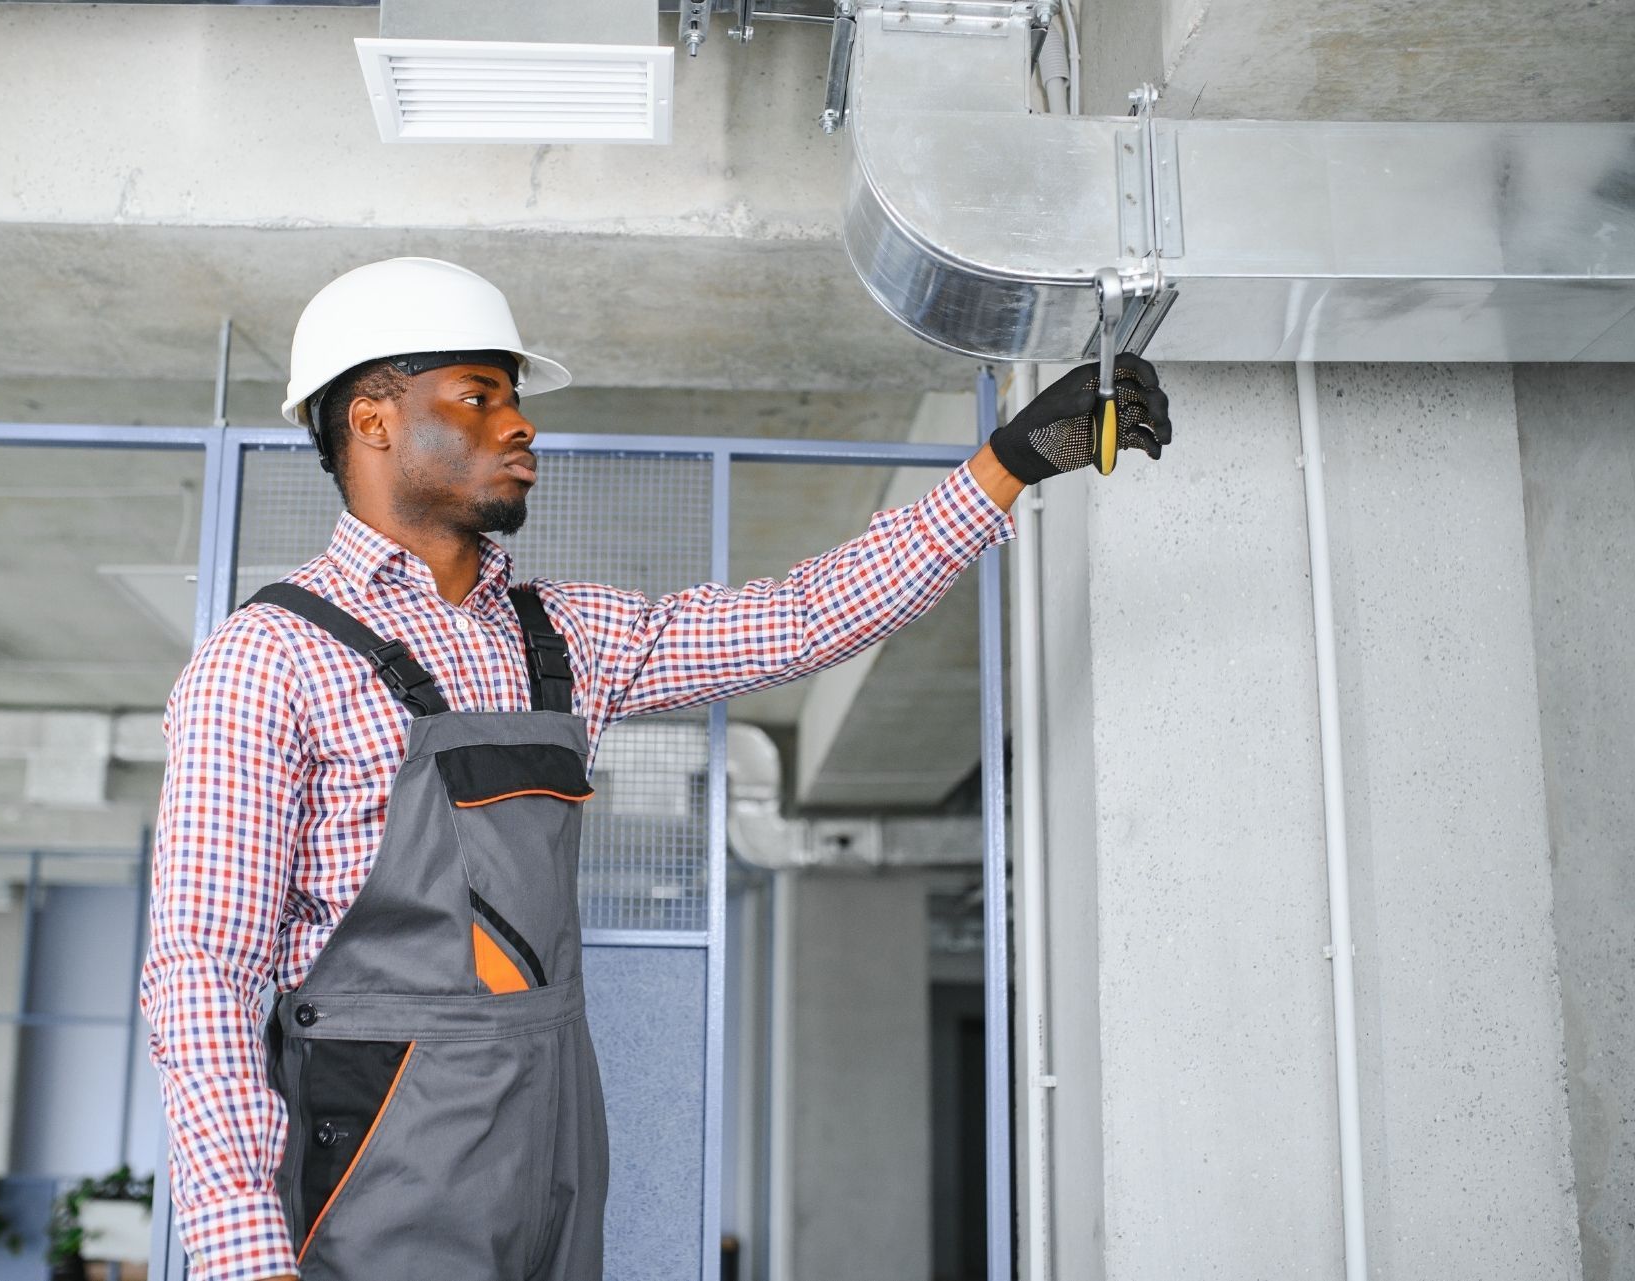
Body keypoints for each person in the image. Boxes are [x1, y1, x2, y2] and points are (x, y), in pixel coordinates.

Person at [138, 256, 1170, 1281]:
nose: (519, 424)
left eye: (514, 400)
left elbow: (803, 619)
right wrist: (242, 1255)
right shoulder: (268, 658)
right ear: (371, 419)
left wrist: (1008, 464)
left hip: (550, 1127)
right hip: (378, 1155)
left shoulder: (564, 638)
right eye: (479, 396)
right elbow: (203, 973)